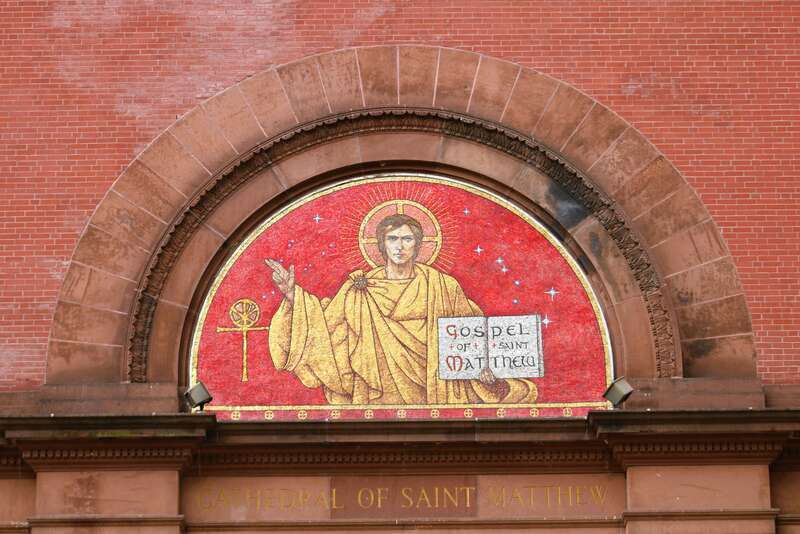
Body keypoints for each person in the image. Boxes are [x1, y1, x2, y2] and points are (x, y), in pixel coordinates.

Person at [266, 214, 536, 406]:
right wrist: (293, 296)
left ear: (418, 244)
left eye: (407, 239)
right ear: (381, 244)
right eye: (392, 239)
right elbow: (325, 330)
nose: (399, 246)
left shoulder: (443, 286)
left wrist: (485, 368)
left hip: (438, 392)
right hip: (376, 395)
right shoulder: (360, 287)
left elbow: (473, 336)